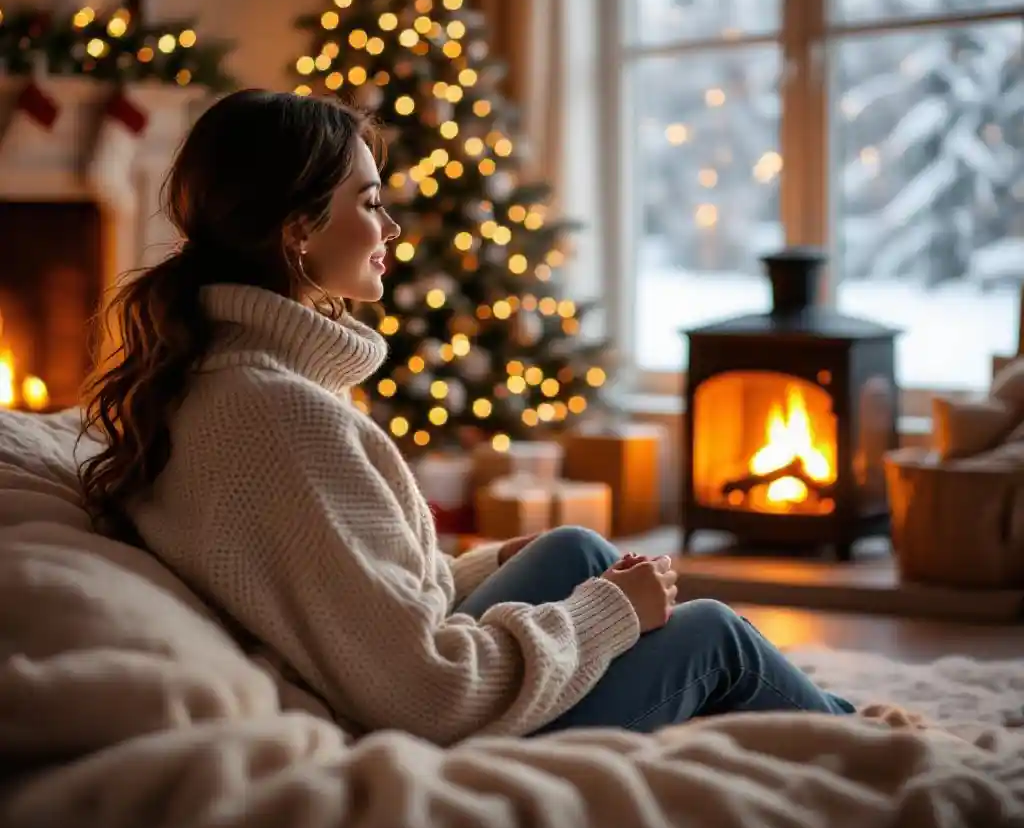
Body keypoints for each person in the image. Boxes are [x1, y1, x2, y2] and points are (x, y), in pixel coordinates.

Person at [78, 89, 854, 745]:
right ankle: (870, 749)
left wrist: (490, 564)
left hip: (375, 690)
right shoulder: (282, 417)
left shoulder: (220, 378)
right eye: (371, 203)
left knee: (572, 547)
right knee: (712, 635)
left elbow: (349, 594)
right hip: (420, 736)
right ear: (298, 232)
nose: (389, 232)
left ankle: (829, 719)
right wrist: (612, 613)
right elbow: (426, 692)